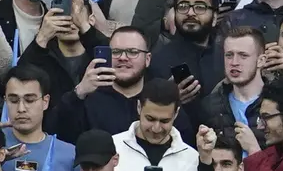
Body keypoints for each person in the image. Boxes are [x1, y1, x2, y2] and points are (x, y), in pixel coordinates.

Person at [55, 26, 192, 144]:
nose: (123, 57)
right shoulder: (89, 98)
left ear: (148, 59)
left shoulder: (160, 99)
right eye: (116, 52)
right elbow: (59, 135)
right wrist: (78, 93)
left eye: (133, 52)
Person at [112, 79, 201, 171]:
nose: (156, 128)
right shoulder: (112, 147)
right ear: (139, 107)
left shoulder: (192, 158)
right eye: (150, 119)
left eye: (164, 121)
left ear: (176, 113)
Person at [197, 26, 264, 134]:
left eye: (243, 55)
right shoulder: (209, 106)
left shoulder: (278, 102)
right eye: (229, 55)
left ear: (261, 60)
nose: (234, 62)